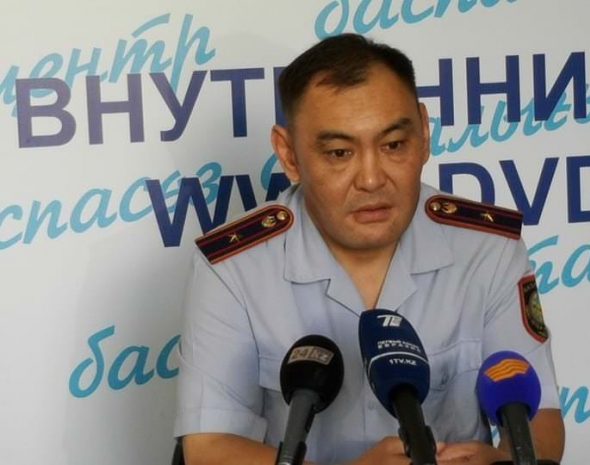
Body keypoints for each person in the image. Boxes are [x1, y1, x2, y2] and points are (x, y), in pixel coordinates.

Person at [174, 33, 565, 465]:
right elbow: (209, 447)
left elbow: (539, 415)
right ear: (289, 155)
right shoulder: (231, 268)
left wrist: (505, 463)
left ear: (424, 133)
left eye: (393, 145)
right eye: (340, 153)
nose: (372, 179)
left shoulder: (488, 250)